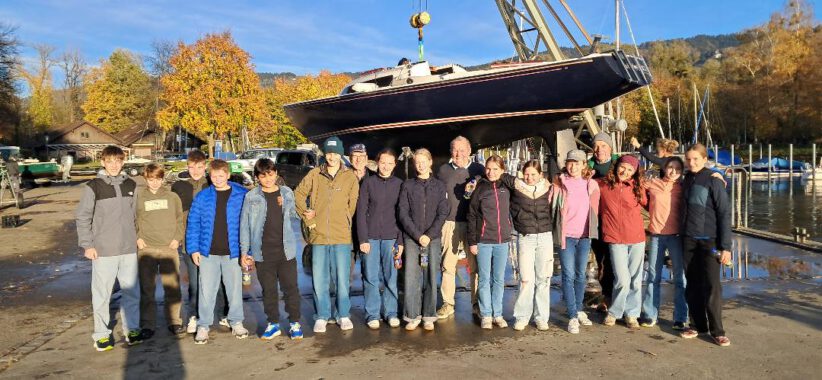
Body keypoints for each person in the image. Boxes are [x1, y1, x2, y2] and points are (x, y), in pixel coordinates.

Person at [75, 145, 142, 351]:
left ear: (123, 162)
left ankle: (132, 328)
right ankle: (102, 335)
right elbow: (83, 216)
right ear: (103, 162)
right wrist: (87, 245)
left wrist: (138, 238)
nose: (114, 165)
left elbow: (136, 216)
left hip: (128, 248)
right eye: (109, 161)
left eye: (118, 161)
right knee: (102, 294)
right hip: (103, 249)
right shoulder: (93, 186)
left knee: (131, 292)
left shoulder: (131, 184)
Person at [295, 136, 359, 333]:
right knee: (320, 278)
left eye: (336, 153)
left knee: (342, 279)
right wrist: (308, 217)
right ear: (325, 154)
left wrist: (345, 220)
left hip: (341, 237)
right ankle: (322, 315)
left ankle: (343, 314)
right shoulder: (314, 174)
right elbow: (298, 195)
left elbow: (352, 205)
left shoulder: (350, 177)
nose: (332, 157)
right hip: (319, 235)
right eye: (329, 153)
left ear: (341, 154)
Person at [187, 159, 249, 344]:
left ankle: (236, 322)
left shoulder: (242, 195)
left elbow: (249, 224)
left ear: (228, 175)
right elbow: (193, 224)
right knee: (206, 291)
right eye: (214, 176)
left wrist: (248, 250)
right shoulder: (203, 197)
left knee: (234, 290)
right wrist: (194, 249)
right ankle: (203, 326)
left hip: (233, 253)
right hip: (208, 253)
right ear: (210, 176)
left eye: (221, 176)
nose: (218, 179)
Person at [240, 158, 303, 340]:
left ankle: (294, 323)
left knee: (291, 288)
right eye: (263, 176)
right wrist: (245, 251)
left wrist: (292, 206)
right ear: (257, 177)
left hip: (286, 251)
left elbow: (295, 215)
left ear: (276, 173)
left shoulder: (286, 192)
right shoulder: (251, 197)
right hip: (262, 252)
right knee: (269, 290)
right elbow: (245, 226)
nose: (267, 179)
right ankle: (273, 323)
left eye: (270, 174)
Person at [171, 150, 229, 334]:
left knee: (218, 282)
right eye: (191, 167)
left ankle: (223, 314)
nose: (195, 170)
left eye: (199, 167)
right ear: (187, 167)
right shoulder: (178, 187)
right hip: (190, 243)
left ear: (205, 167)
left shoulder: (213, 185)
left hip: (213, 241)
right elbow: (174, 216)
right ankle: (195, 316)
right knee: (195, 283)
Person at [680, 144, 732, 347]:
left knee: (712, 286)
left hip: (710, 240)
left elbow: (724, 213)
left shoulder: (713, 180)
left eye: (695, 159)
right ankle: (697, 325)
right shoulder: (686, 178)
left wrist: (725, 246)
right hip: (688, 239)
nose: (691, 163)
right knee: (692, 285)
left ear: (704, 160)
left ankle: (717, 331)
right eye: (688, 159)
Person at [500, 159, 555, 332]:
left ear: (540, 174)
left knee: (543, 279)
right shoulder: (516, 185)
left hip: (545, 237)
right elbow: (499, 174)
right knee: (525, 279)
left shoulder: (548, 187)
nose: (529, 177)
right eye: (526, 174)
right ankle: (522, 316)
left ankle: (541, 317)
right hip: (525, 237)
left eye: (533, 174)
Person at [398, 148, 449, 331]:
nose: (420, 165)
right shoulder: (408, 185)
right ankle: (412, 315)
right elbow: (403, 213)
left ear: (430, 161)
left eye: (423, 161)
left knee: (430, 276)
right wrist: (417, 235)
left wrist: (429, 234)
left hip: (432, 238)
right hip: (413, 239)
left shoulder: (439, 186)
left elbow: (443, 211)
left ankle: (429, 314)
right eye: (417, 162)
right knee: (412, 276)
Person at [436, 136, 484, 319]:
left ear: (469, 150)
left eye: (462, 150)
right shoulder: (443, 170)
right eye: (455, 150)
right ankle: (448, 303)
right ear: (451, 152)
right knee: (447, 265)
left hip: (473, 223)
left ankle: (477, 303)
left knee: (475, 266)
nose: (459, 154)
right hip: (450, 223)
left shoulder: (479, 170)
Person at [136, 163, 185, 339]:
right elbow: (133, 219)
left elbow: (180, 219)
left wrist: (177, 238)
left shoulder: (172, 197)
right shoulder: (139, 197)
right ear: (146, 179)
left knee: (172, 287)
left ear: (162, 179)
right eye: (151, 179)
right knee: (147, 288)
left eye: (158, 179)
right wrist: (137, 237)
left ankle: (175, 321)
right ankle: (148, 324)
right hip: (146, 249)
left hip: (168, 248)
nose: (155, 182)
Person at [598, 155, 647, 329]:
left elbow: (652, 199)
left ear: (634, 173)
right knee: (622, 279)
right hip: (615, 238)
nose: (625, 172)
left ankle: (632, 314)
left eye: (629, 170)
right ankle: (614, 312)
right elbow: (582, 184)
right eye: (623, 167)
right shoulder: (602, 185)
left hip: (636, 238)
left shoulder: (637, 187)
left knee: (635, 279)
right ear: (617, 166)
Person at [357, 148, 404, 329]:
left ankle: (391, 312)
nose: (386, 166)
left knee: (391, 276)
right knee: (370, 277)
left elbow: (402, 215)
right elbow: (361, 212)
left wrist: (400, 241)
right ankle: (372, 314)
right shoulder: (368, 183)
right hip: (371, 237)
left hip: (391, 237)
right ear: (377, 163)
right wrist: (363, 239)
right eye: (383, 162)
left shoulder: (400, 184)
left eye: (390, 163)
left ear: (394, 165)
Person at [554, 150, 600, 334]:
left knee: (581, 275)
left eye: (577, 163)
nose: (573, 166)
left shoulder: (591, 184)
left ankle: (579, 309)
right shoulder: (560, 183)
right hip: (567, 236)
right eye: (570, 162)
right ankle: (572, 315)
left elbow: (595, 210)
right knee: (568, 274)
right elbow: (551, 204)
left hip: (584, 236)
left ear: (583, 165)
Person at [640, 157, 688, 329]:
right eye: (670, 168)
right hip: (656, 235)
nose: (673, 171)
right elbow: (635, 184)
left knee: (680, 278)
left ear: (682, 172)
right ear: (664, 168)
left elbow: (707, 185)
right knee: (653, 277)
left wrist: (718, 177)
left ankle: (681, 317)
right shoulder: (654, 183)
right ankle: (650, 314)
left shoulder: (683, 187)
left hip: (676, 237)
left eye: (677, 169)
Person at [467, 155, 512, 330]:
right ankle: (486, 314)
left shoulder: (506, 187)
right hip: (484, 240)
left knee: (499, 279)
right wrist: (473, 241)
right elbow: (471, 215)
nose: (491, 172)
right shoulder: (479, 188)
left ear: (502, 170)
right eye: (488, 168)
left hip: (502, 240)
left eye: (495, 169)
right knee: (484, 279)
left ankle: (497, 314)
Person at [587, 132, 619, 313]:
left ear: (610, 148)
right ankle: (607, 298)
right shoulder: (587, 168)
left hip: (615, 221)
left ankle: (620, 300)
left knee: (617, 261)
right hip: (596, 221)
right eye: (596, 146)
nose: (600, 150)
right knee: (602, 261)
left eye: (603, 145)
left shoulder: (618, 165)